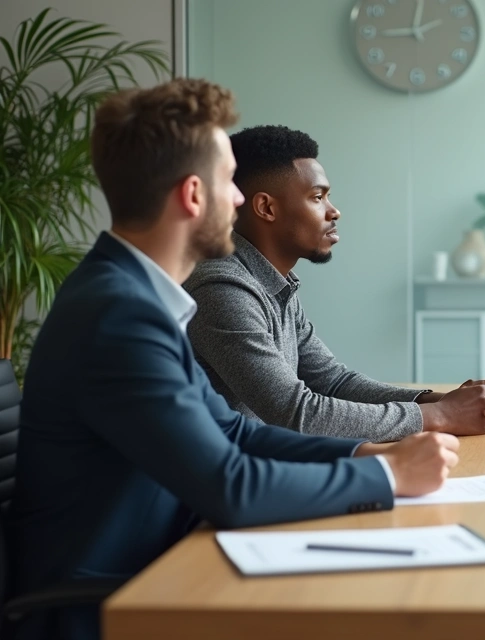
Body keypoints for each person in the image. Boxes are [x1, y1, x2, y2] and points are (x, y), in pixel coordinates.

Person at [7, 79, 459, 640]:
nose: (242, 199)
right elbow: (231, 486)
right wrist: (388, 474)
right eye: (229, 182)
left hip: (167, 559)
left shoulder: (137, 295)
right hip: (109, 599)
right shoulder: (119, 315)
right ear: (194, 196)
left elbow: (233, 432)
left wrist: (365, 450)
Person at [183, 125, 485, 441]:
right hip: (231, 475)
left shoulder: (275, 283)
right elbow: (298, 414)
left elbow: (333, 382)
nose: (334, 211)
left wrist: (439, 402)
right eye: (317, 197)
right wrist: (439, 416)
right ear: (267, 208)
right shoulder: (222, 290)